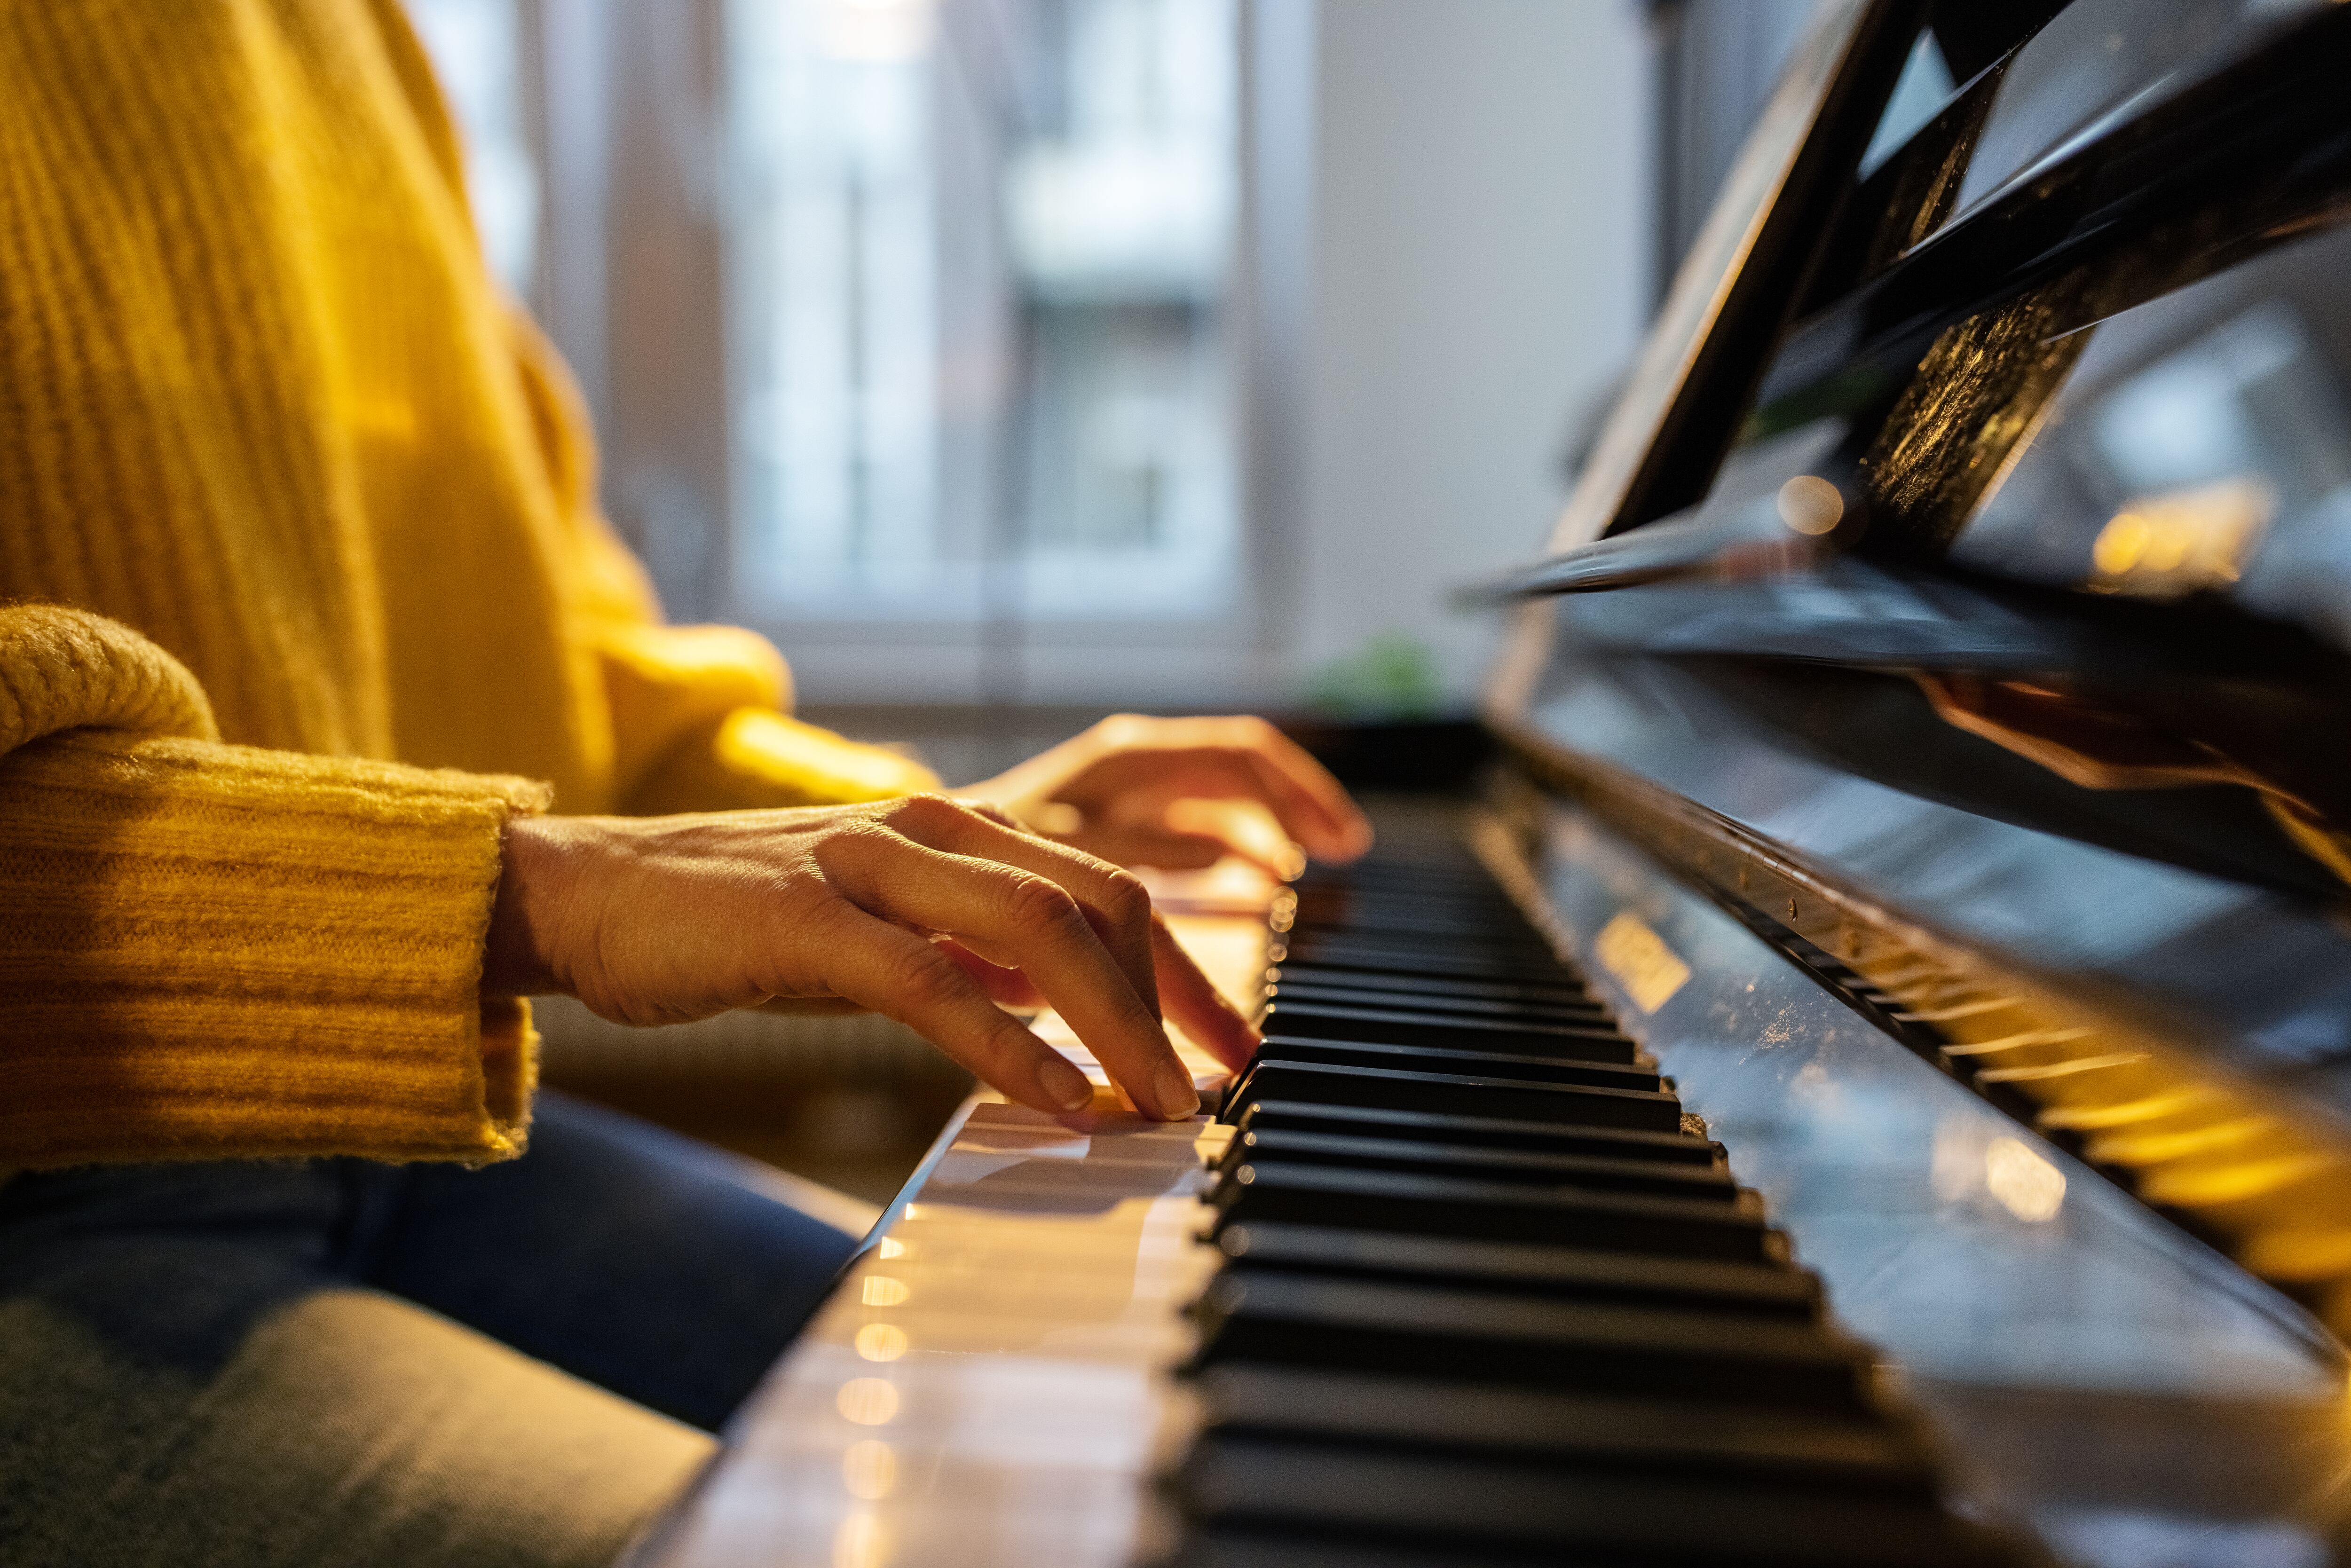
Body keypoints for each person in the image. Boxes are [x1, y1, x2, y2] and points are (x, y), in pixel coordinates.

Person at [0, 3, 1370, 1563]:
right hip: (43, 1216)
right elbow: (561, 851)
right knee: (974, 1528)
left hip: (406, 1144)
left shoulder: (340, 31)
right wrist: (546, 895)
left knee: (1093, 1419)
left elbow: (550, 665)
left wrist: (938, 834)